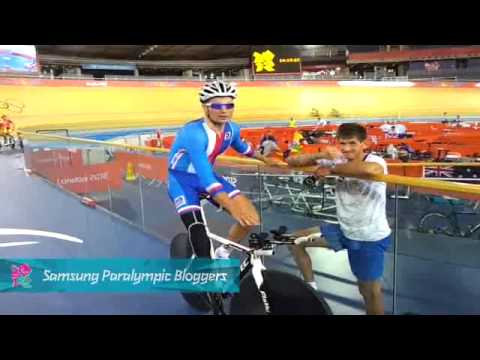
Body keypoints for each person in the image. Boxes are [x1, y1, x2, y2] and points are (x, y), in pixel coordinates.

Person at [285, 123, 392, 315]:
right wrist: (322, 156)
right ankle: (312, 290)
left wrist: (333, 169)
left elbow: (372, 171)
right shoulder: (336, 159)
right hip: (343, 230)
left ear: (363, 144)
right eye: (343, 143)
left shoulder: (375, 160)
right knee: (294, 240)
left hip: (368, 238)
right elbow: (292, 161)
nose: (347, 148)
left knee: (369, 293)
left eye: (352, 143)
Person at [167, 80, 281, 260]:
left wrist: (266, 159)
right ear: (206, 108)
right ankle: (204, 276)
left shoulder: (232, 129)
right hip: (182, 180)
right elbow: (206, 178)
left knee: (251, 220)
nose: (224, 110)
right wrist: (232, 207)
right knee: (199, 234)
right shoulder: (193, 133)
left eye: (229, 105)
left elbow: (244, 148)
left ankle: (224, 251)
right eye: (217, 105)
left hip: (207, 177)